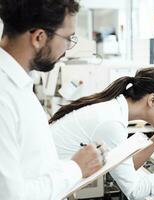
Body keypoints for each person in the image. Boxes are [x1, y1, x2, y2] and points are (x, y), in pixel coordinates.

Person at [49, 67, 154, 200]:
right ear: (152, 100)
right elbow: (135, 190)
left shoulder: (113, 109)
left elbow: (123, 166)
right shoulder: (112, 123)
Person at [0, 1, 105, 199]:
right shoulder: (3, 95)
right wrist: (75, 168)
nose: (67, 49)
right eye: (67, 38)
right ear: (39, 37)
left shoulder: (19, 84)